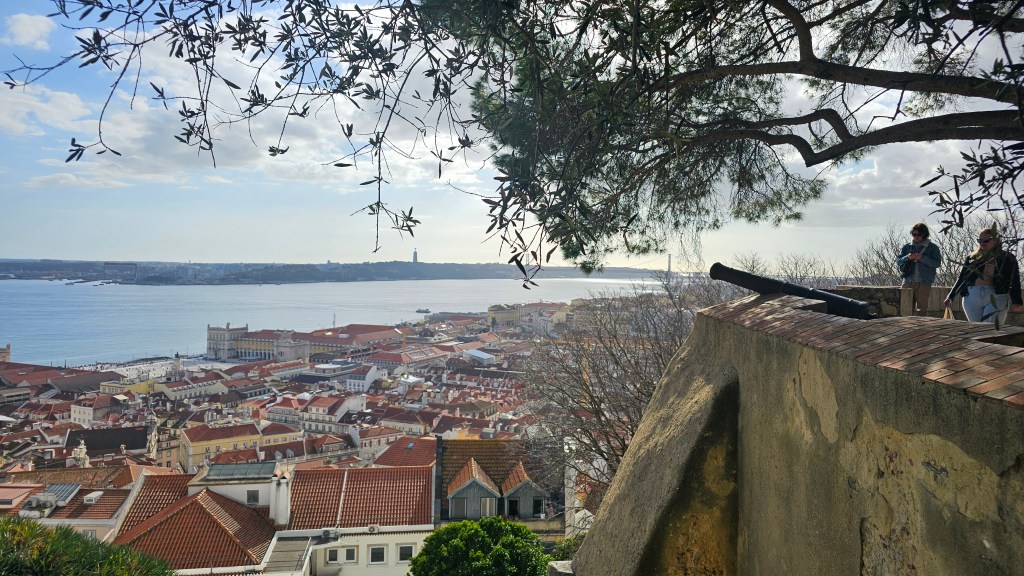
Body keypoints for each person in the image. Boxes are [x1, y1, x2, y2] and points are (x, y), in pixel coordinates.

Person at [944, 227, 1024, 323]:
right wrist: (951, 296)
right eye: (980, 240)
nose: (982, 242)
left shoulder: (1006, 257)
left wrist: (1017, 300)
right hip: (972, 296)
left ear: (995, 241)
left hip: (996, 295)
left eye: (986, 240)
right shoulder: (972, 258)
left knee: (991, 330)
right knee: (977, 331)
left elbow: (1014, 279)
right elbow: (962, 278)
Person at [896, 223, 942, 315]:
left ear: (924, 234)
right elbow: (898, 261)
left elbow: (937, 263)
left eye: (919, 235)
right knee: (905, 307)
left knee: (922, 309)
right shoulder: (907, 247)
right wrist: (908, 257)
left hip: (924, 281)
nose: (916, 237)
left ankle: (921, 327)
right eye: (914, 234)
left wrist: (922, 258)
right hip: (908, 280)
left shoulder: (933, 247)